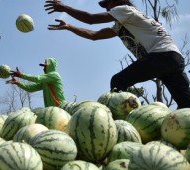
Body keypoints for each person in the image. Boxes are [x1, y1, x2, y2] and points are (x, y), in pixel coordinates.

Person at [45, 0, 190, 108]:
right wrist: (70, 27)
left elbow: (91, 19)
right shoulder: (124, 22)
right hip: (174, 59)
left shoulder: (125, 10)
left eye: (107, 4)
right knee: (185, 104)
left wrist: (65, 8)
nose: (107, 8)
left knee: (118, 82)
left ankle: (118, 122)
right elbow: (94, 35)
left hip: (162, 56)